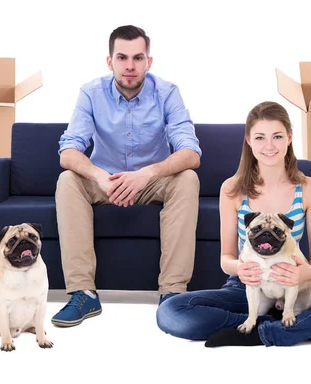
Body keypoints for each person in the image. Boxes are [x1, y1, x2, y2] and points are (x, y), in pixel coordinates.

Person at [156, 101, 311, 346]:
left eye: (277, 136)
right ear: (248, 140)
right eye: (260, 137)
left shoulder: (310, 189)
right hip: (247, 287)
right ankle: (293, 327)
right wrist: (239, 268)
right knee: (170, 312)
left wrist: (302, 273)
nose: (269, 146)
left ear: (289, 137)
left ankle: (260, 332)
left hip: (295, 286)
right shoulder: (232, 189)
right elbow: (226, 258)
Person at [52, 25, 202, 328]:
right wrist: (99, 176)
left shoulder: (167, 92)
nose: (130, 66)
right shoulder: (91, 93)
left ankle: (172, 294)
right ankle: (83, 294)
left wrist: (146, 174)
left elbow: (191, 153)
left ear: (149, 61)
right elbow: (68, 151)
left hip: (151, 182)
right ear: (110, 62)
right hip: (105, 182)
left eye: (138, 57)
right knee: (68, 180)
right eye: (122, 57)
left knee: (187, 178)